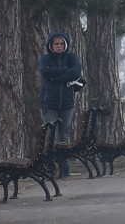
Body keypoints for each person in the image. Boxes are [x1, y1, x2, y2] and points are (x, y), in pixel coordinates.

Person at [40, 32, 82, 178]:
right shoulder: (45, 59)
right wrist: (65, 72)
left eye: (61, 44)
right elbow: (45, 72)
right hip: (49, 102)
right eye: (56, 44)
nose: (59, 46)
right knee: (50, 134)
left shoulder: (71, 57)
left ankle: (65, 170)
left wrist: (56, 76)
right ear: (51, 45)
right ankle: (49, 169)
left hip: (67, 102)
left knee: (64, 134)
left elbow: (76, 72)